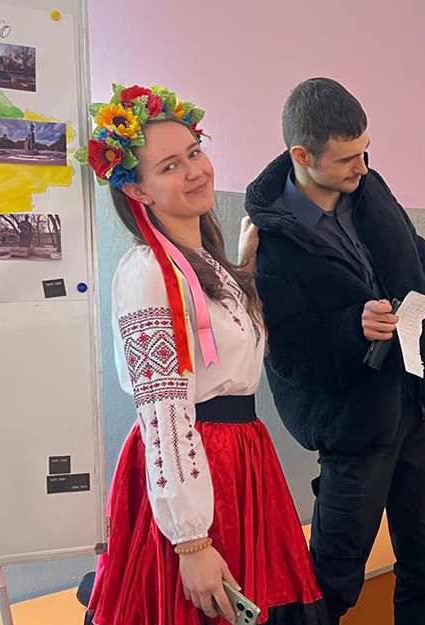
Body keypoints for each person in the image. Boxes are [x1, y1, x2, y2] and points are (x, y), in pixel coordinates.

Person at [244, 77, 425, 625]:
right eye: (346, 159)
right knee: (331, 585)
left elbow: (421, 274)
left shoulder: (371, 192)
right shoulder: (273, 245)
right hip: (354, 431)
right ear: (302, 155)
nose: (361, 168)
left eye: (365, 152)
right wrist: (353, 329)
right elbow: (289, 357)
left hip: (415, 407)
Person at [81, 83, 327, 625]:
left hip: (241, 459)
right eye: (169, 166)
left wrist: (243, 268)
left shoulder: (203, 260)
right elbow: (163, 410)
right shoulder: (149, 273)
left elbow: (228, 349)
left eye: (194, 153)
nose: (195, 171)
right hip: (195, 467)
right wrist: (191, 542)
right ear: (138, 191)